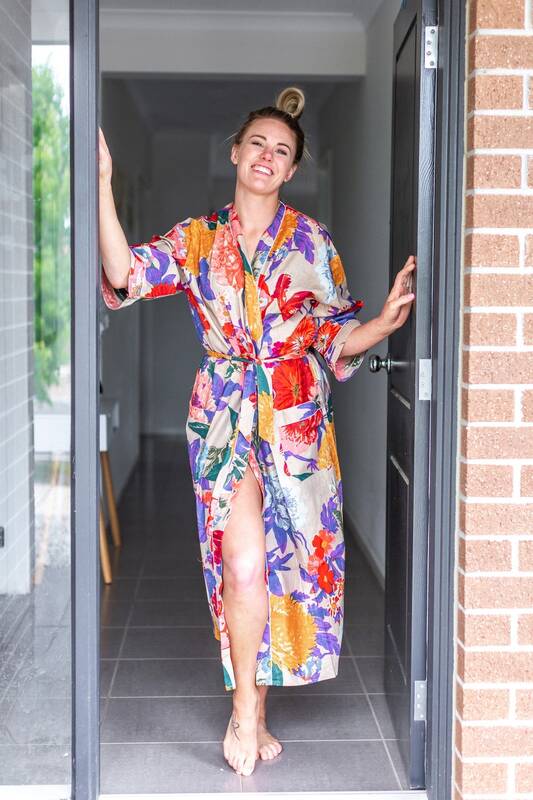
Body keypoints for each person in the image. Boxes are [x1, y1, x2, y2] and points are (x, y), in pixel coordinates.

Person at [99, 86, 415, 778]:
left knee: (287, 564)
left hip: (297, 422)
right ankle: (244, 707)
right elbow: (124, 275)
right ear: (235, 154)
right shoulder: (198, 237)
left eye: (282, 150)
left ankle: (258, 704)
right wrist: (101, 185)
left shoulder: (312, 243)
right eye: (257, 145)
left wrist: (382, 324)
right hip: (222, 414)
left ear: (292, 169)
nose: (267, 156)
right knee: (241, 564)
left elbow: (334, 339)